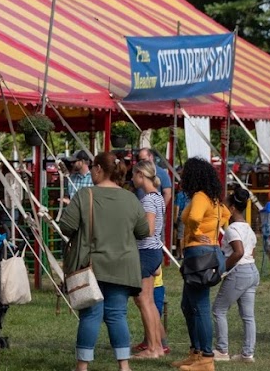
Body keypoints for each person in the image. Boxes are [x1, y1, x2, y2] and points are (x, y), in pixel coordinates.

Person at [57, 151, 150, 371]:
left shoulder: (84, 195)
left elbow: (66, 226)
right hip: (123, 266)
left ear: (98, 169)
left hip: (92, 266)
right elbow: (144, 231)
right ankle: (124, 365)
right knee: (117, 315)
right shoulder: (131, 198)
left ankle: (82, 366)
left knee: (90, 315)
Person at [173, 157, 230, 371]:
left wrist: (198, 233)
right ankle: (195, 353)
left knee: (200, 306)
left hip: (199, 253)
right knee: (188, 305)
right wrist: (213, 232)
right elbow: (226, 214)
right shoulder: (212, 198)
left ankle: (206, 358)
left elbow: (195, 217)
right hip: (208, 252)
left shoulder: (199, 197)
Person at [211, 185, 258, 363]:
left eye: (224, 206)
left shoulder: (232, 230)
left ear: (231, 209)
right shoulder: (249, 229)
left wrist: (222, 269)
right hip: (252, 271)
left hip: (239, 272)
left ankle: (222, 350)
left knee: (219, 310)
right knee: (248, 315)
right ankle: (248, 353)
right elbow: (251, 252)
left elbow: (238, 252)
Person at [130, 161, 167, 360]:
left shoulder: (147, 201)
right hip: (154, 251)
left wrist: (130, 229)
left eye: (133, 175)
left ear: (140, 175)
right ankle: (157, 346)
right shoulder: (158, 197)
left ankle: (153, 348)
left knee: (143, 300)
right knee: (149, 301)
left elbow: (149, 229)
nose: (132, 179)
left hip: (145, 251)